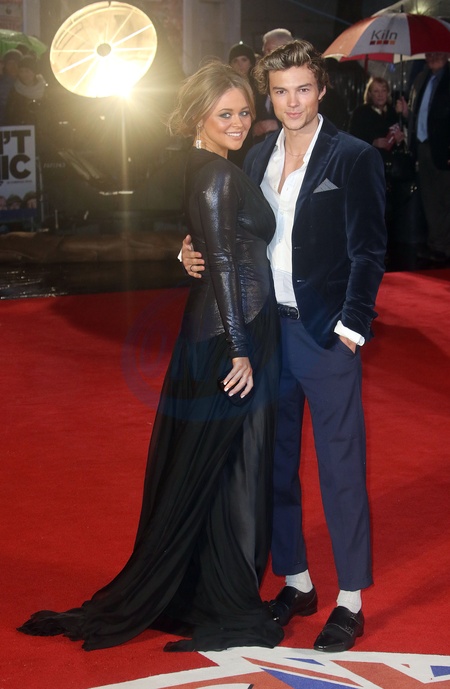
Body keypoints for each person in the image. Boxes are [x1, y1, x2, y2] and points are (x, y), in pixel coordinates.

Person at [17, 61, 284, 653]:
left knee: (219, 469)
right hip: (232, 336)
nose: (238, 122)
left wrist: (186, 255)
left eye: (244, 112)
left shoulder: (206, 167)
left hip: (229, 327)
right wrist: (240, 350)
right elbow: (221, 262)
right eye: (225, 114)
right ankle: (225, 597)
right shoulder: (216, 174)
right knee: (235, 467)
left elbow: (212, 245)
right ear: (198, 117)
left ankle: (215, 588)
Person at [182, 39, 387, 653]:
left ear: (320, 90)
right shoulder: (256, 155)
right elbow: (232, 233)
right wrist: (186, 251)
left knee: (341, 468)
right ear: (267, 96)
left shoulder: (353, 157)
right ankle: (297, 582)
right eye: (279, 92)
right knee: (273, 464)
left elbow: (369, 251)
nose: (292, 102)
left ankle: (350, 599)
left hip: (325, 337)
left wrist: (351, 329)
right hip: (267, 331)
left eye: (303, 89)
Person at [397, 52, 450, 263]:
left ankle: (443, 246)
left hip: (444, 149)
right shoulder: (421, 78)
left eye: (438, 51)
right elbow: (417, 112)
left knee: (445, 199)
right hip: (422, 147)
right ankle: (437, 245)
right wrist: (405, 113)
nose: (433, 56)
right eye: (430, 52)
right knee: (430, 199)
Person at [252, 28, 294, 143]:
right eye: (264, 51)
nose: (265, 56)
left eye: (269, 50)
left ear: (286, 49)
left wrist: (278, 125)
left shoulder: (304, 80)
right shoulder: (261, 82)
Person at [349, 76, 404, 159]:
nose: (380, 95)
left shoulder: (392, 112)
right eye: (376, 91)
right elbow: (352, 139)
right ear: (370, 94)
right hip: (368, 159)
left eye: (383, 91)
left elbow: (400, 145)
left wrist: (398, 141)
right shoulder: (360, 113)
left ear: (388, 93)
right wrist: (373, 143)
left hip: (390, 161)